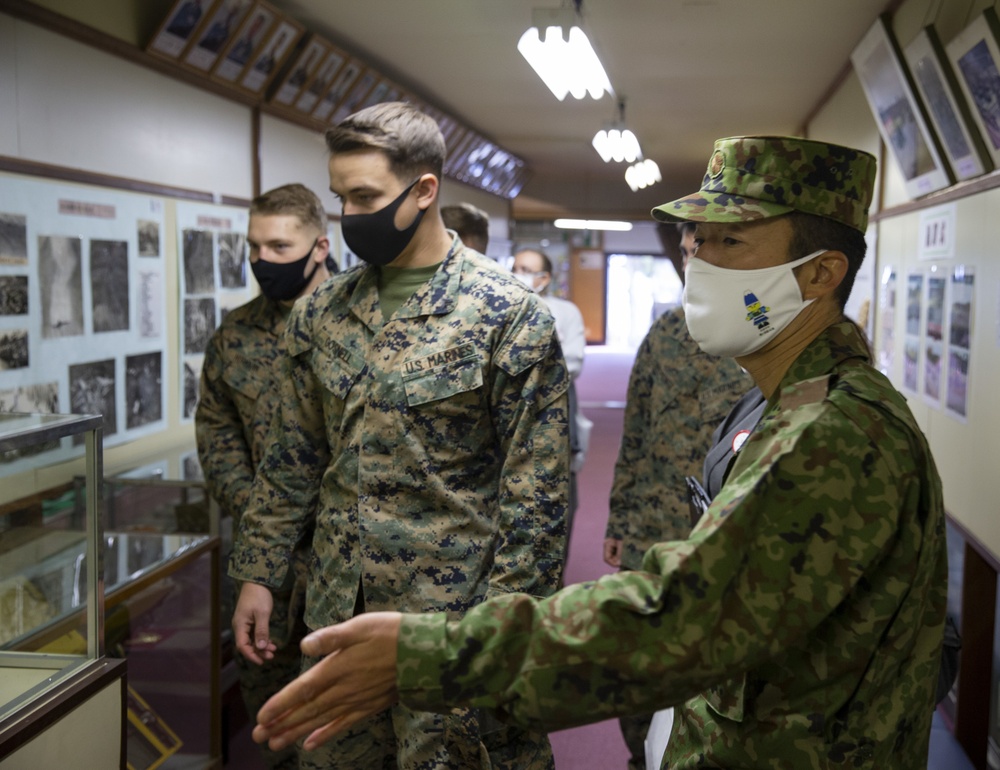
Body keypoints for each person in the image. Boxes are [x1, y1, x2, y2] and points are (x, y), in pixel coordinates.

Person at [246, 135, 948, 770]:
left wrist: (429, 656)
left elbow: (678, 618)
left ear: (819, 275)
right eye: (694, 239)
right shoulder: (777, 400)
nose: (696, 260)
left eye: (729, 245)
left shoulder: (831, 434)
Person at [229, 101, 569, 769]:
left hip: (448, 621)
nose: (352, 215)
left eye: (366, 197)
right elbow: (291, 461)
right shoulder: (323, 311)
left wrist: (494, 638)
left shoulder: (508, 316)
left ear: (423, 191)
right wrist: (260, 574)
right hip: (337, 613)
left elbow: (537, 501)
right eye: (342, 198)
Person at [195, 183, 333, 770]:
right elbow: (217, 436)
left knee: (342, 727)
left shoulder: (360, 325)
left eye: (280, 247)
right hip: (264, 568)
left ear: (320, 247)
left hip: (345, 561)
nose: (263, 261)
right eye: (254, 247)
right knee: (272, 721)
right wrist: (263, 517)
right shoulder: (235, 333)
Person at [602, 221, 749, 770]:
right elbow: (633, 433)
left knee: (709, 671)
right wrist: (618, 520)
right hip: (651, 527)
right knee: (636, 665)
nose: (695, 261)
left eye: (707, 249)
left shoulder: (760, 338)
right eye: (688, 251)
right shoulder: (664, 334)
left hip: (722, 538)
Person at [511, 247, 587, 532]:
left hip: (554, 411)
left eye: (528, 271)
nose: (519, 275)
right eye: (516, 267)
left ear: (545, 278)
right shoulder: (501, 309)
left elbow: (573, 363)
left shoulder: (565, 312)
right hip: (511, 411)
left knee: (557, 500)